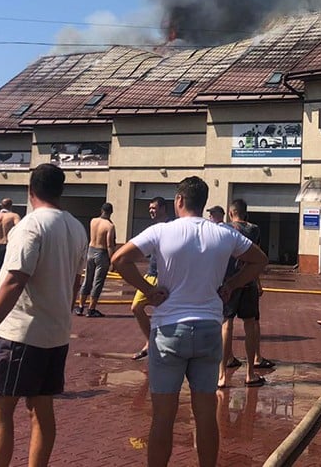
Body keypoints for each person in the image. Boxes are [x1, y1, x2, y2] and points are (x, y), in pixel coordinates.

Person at [111, 176, 268, 467]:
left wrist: (148, 291)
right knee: (206, 415)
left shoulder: (161, 231)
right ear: (203, 202)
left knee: (163, 417)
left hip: (168, 330)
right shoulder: (224, 234)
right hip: (209, 328)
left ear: (179, 201)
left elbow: (119, 259)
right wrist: (232, 284)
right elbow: (260, 260)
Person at [0, 164, 88, 467]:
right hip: (56, 333)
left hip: (23, 334)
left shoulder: (30, 226)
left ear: (30, 190)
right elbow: (76, 281)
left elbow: (13, 280)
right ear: (61, 190)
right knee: (41, 409)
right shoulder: (76, 227)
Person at [218, 199, 274, 387]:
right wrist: (257, 282)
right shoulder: (254, 230)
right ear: (245, 212)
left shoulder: (223, 229)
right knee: (250, 324)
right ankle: (250, 372)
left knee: (226, 324)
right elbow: (256, 257)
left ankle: (221, 375)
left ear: (230, 212)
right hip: (248, 282)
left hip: (228, 283)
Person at [130, 196, 170, 360]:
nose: (151, 211)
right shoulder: (154, 227)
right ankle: (150, 342)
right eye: (150, 209)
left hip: (165, 277)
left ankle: (165, 349)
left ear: (162, 208)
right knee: (136, 307)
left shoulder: (170, 227)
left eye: (153, 208)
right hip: (150, 275)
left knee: (165, 315)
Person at [75, 202, 117, 317]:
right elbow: (109, 244)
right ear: (111, 212)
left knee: (87, 280)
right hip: (102, 253)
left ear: (101, 210)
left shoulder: (93, 221)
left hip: (91, 250)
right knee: (97, 282)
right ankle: (91, 309)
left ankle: (80, 306)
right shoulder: (110, 226)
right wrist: (112, 260)